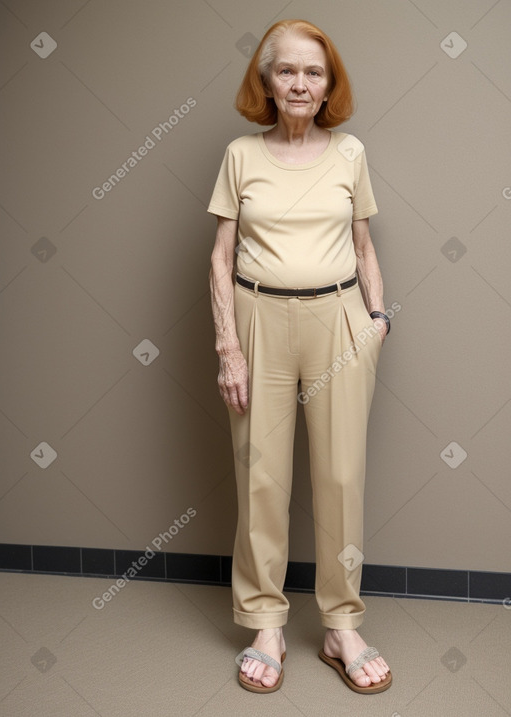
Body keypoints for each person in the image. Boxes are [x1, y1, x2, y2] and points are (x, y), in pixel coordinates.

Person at [207, 18, 392, 695]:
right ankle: (266, 623)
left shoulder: (350, 154)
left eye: (313, 72)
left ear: (329, 84)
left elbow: (365, 246)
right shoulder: (240, 155)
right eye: (286, 69)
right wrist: (229, 345)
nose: (299, 82)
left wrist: (376, 320)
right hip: (257, 318)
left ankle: (342, 625)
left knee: (340, 476)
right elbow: (221, 259)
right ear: (265, 80)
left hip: (340, 318)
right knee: (261, 475)